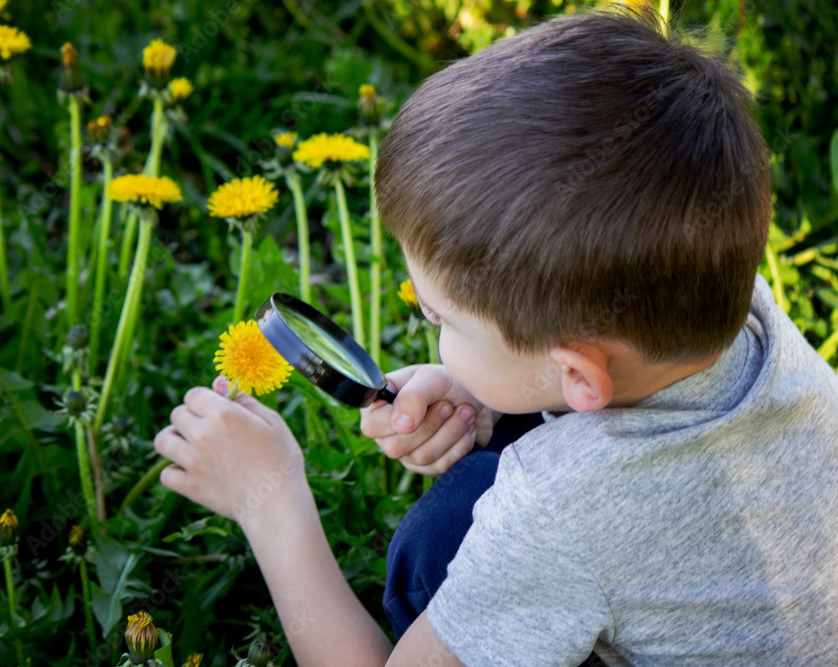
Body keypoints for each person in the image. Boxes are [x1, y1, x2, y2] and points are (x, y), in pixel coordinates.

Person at [152, 6, 838, 666]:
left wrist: (270, 502)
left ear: (578, 376)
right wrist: (486, 395)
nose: (429, 327)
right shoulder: (744, 310)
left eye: (441, 320)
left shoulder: (557, 514)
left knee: (441, 537)